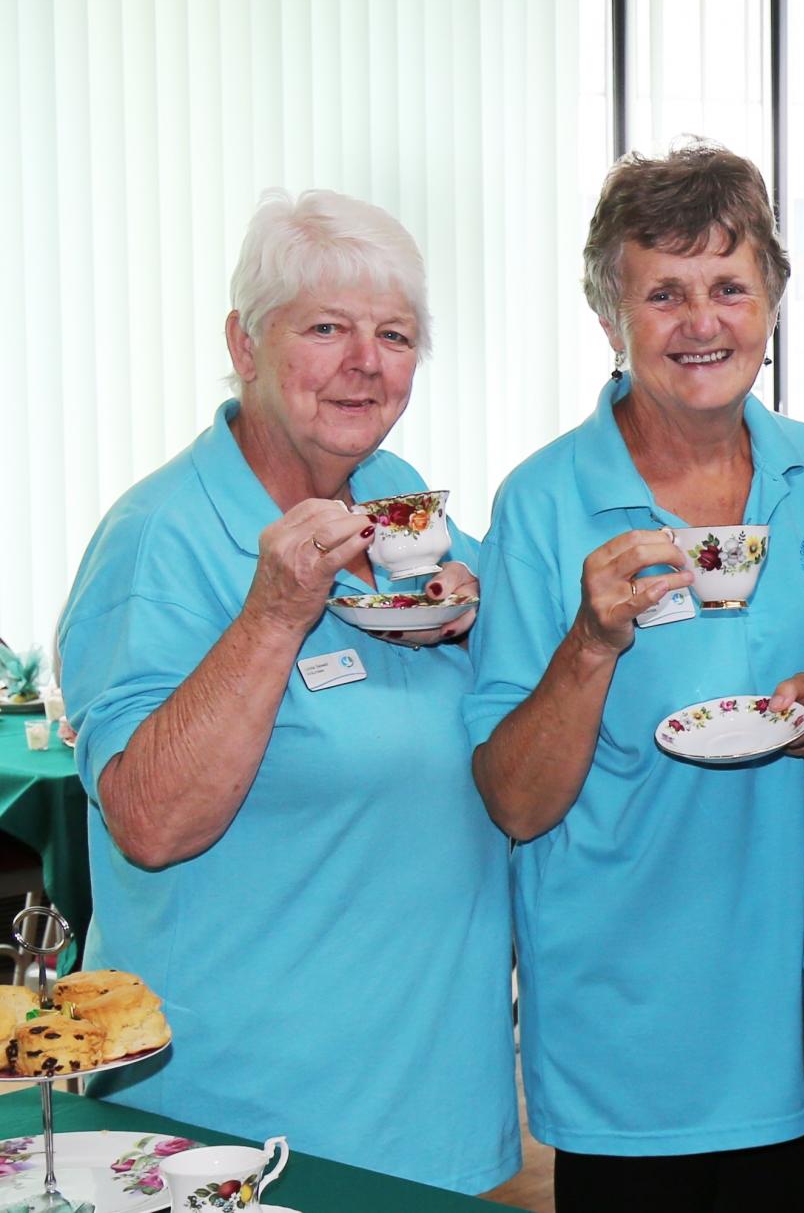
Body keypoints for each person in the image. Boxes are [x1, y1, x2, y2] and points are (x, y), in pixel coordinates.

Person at [56, 189, 514, 1192]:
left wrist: (490, 613)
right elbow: (149, 821)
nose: (367, 361)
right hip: (233, 1129)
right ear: (246, 342)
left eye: (395, 334)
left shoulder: (403, 501)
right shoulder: (160, 536)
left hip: (432, 1109)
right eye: (326, 328)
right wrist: (273, 613)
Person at [464, 144, 804, 1210]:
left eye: (730, 287)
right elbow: (513, 800)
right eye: (665, 293)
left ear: (772, 303)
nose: (704, 321)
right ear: (610, 319)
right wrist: (590, 645)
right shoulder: (544, 504)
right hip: (634, 1045)